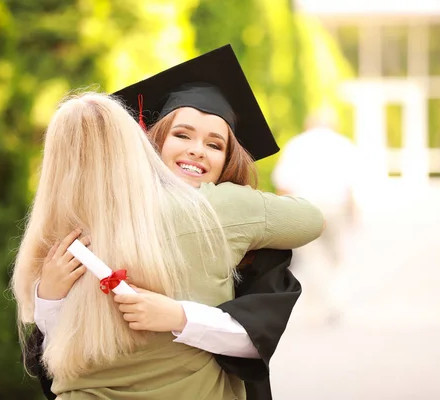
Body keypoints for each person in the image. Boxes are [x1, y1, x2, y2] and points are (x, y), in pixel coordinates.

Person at [20, 47, 320, 399]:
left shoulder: (229, 210)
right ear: (153, 141)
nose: (197, 150)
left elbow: (255, 337)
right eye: (182, 135)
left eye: (214, 144)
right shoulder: (97, 215)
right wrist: (48, 298)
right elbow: (62, 349)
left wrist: (178, 316)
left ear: (228, 161)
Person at [272, 109, 360, 324]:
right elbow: (353, 185)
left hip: (305, 209)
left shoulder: (296, 145)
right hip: (336, 208)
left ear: (308, 124)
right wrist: (355, 212)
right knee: (337, 259)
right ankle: (336, 303)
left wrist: (282, 215)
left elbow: (282, 184)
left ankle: (317, 310)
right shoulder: (343, 144)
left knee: (312, 259)